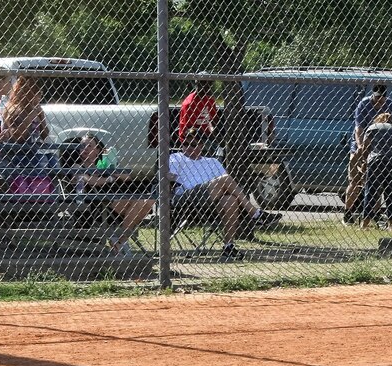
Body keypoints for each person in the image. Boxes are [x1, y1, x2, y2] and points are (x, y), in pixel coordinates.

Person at [168, 127, 282, 261]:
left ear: (201, 145)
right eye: (185, 144)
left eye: (193, 144)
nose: (188, 147)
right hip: (188, 197)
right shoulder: (176, 158)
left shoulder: (212, 162)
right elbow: (169, 179)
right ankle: (255, 214)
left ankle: (229, 246)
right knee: (226, 179)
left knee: (231, 200)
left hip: (211, 203)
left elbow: (226, 187)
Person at [64, 133, 155, 255]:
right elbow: (90, 180)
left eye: (89, 146)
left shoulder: (104, 163)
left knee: (149, 200)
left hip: (118, 197)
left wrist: (111, 169)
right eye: (82, 146)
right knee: (138, 203)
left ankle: (119, 242)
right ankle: (121, 242)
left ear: (98, 150)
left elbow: (127, 177)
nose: (85, 149)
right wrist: (109, 178)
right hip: (99, 203)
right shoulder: (77, 166)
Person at [345, 84, 392, 225]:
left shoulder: (391, 106)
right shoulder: (364, 104)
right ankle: (348, 213)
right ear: (372, 96)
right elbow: (359, 129)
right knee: (355, 181)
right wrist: (361, 147)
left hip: (378, 150)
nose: (379, 102)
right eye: (376, 99)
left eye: (382, 99)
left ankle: (374, 214)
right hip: (361, 145)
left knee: (376, 183)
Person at [0, 74, 55, 196]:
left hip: (33, 150)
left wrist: (40, 117)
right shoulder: (14, 109)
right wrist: (30, 116)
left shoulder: (37, 109)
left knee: (53, 161)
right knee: (38, 161)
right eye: (36, 94)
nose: (39, 97)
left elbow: (45, 134)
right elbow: (17, 136)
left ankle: (47, 196)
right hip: (16, 152)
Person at [178, 78, 218, 143]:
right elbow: (189, 130)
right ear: (197, 84)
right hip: (189, 139)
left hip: (206, 137)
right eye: (204, 83)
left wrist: (212, 131)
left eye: (209, 84)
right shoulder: (189, 103)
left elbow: (213, 120)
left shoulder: (210, 100)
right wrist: (205, 136)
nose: (207, 86)